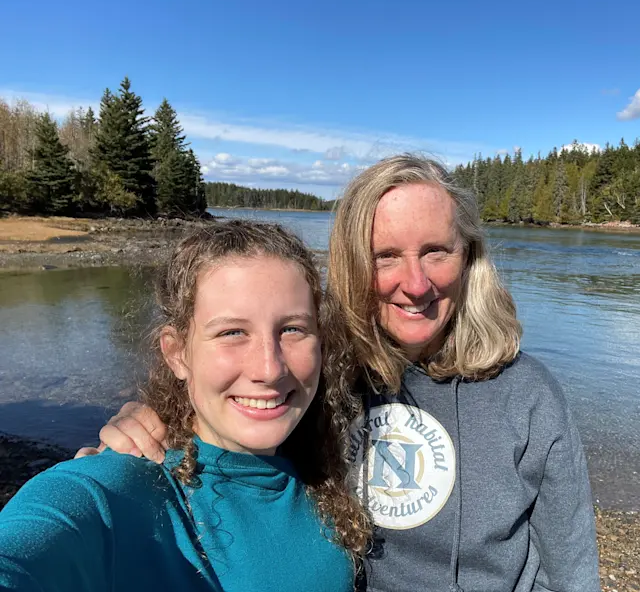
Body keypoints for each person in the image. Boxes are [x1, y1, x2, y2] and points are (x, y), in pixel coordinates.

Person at [82, 155, 601, 592]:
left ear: (468, 258)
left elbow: (572, 572)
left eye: (436, 252)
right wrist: (153, 417)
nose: (415, 284)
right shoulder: (317, 377)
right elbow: (233, 425)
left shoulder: (529, 396)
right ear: (352, 264)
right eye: (386, 256)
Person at [0, 221, 371, 592]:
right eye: (232, 333)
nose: (270, 369)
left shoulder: (326, 466)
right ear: (178, 354)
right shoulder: (123, 486)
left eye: (292, 329)